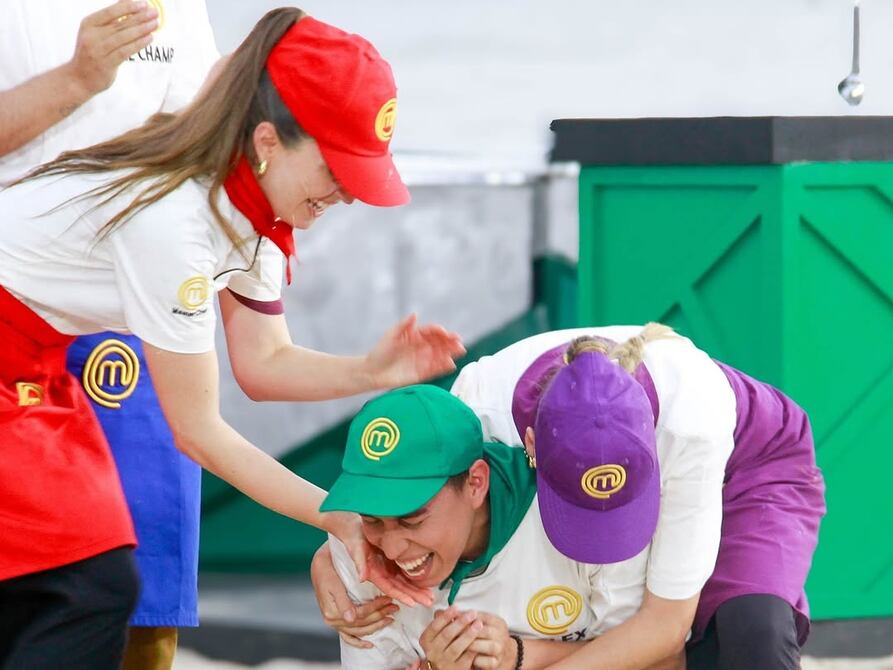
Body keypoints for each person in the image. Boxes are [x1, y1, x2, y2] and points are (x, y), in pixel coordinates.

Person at [0, 8, 458, 668]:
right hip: (18, 357)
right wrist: (338, 516)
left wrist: (369, 372)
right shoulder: (175, 220)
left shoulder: (256, 205)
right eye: (337, 169)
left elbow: (263, 362)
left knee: (89, 583)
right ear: (268, 140)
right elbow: (197, 431)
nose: (348, 195)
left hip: (35, 360)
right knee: (85, 588)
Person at [314, 324, 825, 670]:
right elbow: (409, 479)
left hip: (749, 463)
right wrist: (340, 548)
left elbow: (663, 631)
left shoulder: (689, 428)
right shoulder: (482, 410)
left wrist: (517, 658)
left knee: (751, 633)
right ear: (530, 445)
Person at [1, 2, 221, 666]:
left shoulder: (177, 8)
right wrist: (75, 79)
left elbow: (201, 140)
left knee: (140, 599)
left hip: (128, 324)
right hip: (17, 308)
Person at [321, 384, 668, 670]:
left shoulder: (583, 515)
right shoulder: (361, 555)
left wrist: (517, 656)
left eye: (412, 519)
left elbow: (662, 661)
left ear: (476, 483)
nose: (392, 548)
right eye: (371, 519)